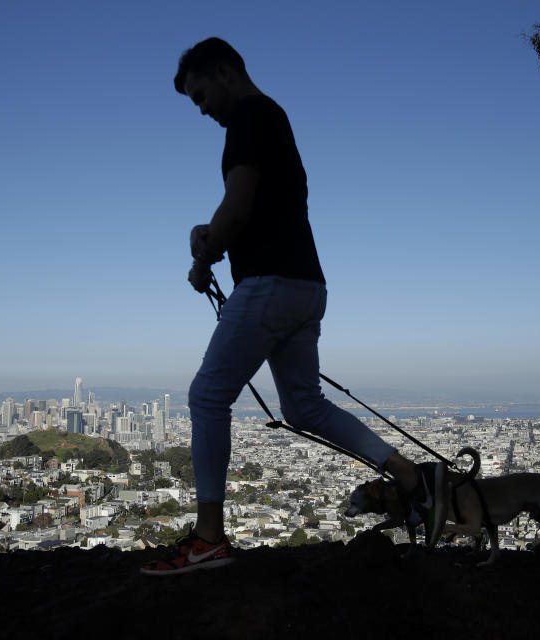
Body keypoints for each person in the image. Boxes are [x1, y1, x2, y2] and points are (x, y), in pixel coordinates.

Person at [140, 38, 440, 576]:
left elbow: (237, 207)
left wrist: (203, 257)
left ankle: (208, 539)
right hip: (307, 285)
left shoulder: (249, 119)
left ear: (226, 73)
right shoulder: (274, 119)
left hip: (270, 284)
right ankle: (409, 475)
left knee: (207, 396)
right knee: (305, 407)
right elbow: (254, 212)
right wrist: (209, 233)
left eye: (201, 95)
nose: (202, 109)